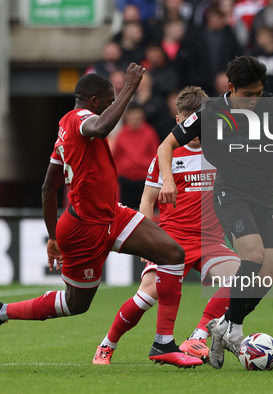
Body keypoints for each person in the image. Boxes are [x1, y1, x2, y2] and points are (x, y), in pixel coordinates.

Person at [0, 64, 201, 368]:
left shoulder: (63, 135)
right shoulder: (80, 118)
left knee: (173, 253)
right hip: (85, 228)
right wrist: (128, 89)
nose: (111, 107)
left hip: (112, 214)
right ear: (94, 101)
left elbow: (47, 189)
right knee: (75, 305)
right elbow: (100, 127)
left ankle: (163, 343)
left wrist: (52, 236)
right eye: (108, 102)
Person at [157, 56, 273, 369]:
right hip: (230, 194)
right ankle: (232, 328)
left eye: (259, 93)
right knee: (254, 256)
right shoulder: (210, 112)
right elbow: (166, 146)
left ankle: (223, 326)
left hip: (265, 198)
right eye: (248, 94)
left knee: (267, 273)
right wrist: (167, 180)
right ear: (231, 89)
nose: (255, 100)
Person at [93, 86, 240, 365]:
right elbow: (146, 202)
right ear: (177, 121)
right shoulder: (166, 156)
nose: (194, 131)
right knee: (146, 296)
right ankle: (107, 345)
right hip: (171, 241)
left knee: (244, 278)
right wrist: (148, 242)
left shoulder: (222, 152)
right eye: (187, 124)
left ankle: (197, 337)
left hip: (209, 240)